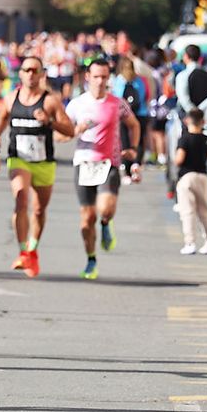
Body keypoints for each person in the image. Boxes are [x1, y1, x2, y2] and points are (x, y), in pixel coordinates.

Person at [0, 55, 73, 277]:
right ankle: (22, 253)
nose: (30, 74)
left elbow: (70, 130)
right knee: (21, 199)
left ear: (41, 74)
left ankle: (33, 249)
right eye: (26, 70)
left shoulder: (50, 101)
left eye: (34, 70)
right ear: (20, 74)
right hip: (18, 159)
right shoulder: (11, 99)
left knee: (38, 210)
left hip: (43, 163)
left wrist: (49, 121)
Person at [67, 57, 140, 280]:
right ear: (87, 77)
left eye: (104, 77)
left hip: (109, 162)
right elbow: (61, 132)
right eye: (96, 76)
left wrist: (133, 149)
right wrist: (75, 130)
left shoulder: (116, 103)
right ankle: (91, 259)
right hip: (84, 162)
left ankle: (106, 222)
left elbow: (134, 124)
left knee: (105, 208)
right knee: (87, 218)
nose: (100, 81)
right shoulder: (76, 104)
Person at [175, 107, 207, 255]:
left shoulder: (185, 139)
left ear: (188, 120)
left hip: (187, 176)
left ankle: (190, 242)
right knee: (204, 211)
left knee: (187, 211)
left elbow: (179, 159)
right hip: (203, 176)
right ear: (203, 121)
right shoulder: (206, 139)